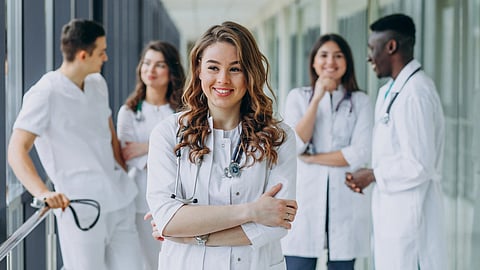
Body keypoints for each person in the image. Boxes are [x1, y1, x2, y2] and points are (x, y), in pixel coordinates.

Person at [146, 21, 298, 270]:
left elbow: (275, 223)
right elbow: (168, 220)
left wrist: (188, 235)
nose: (223, 79)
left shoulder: (279, 136)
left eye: (235, 69)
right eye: (213, 68)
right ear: (198, 71)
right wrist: (251, 212)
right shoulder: (168, 133)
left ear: (250, 73)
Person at [7, 19, 142, 270]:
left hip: (118, 198)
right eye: (101, 52)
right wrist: (43, 193)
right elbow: (16, 150)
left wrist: (122, 167)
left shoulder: (97, 84)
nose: (106, 57)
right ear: (83, 55)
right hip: (81, 206)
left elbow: (109, 132)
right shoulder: (44, 93)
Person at [345, 13, 446, 270]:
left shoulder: (416, 93)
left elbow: (419, 164)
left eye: (372, 48)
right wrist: (372, 174)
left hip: (411, 216)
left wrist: (373, 174)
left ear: (391, 46)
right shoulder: (394, 89)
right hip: (394, 212)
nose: (369, 57)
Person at [281, 34, 373, 270]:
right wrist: (317, 98)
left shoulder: (361, 101)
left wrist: (311, 159)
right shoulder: (298, 97)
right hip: (306, 200)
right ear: (313, 62)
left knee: (342, 263)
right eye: (324, 55)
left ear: (347, 63)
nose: (330, 62)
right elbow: (296, 144)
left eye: (338, 56)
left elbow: (360, 152)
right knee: (298, 263)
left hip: (345, 200)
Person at [116, 40, 185, 270]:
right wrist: (167, 148)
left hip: (180, 198)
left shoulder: (183, 111)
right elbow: (128, 155)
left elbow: (187, 153)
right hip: (141, 203)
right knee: (149, 264)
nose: (151, 70)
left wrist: (146, 147)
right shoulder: (128, 112)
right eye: (146, 63)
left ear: (171, 71)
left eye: (159, 65)